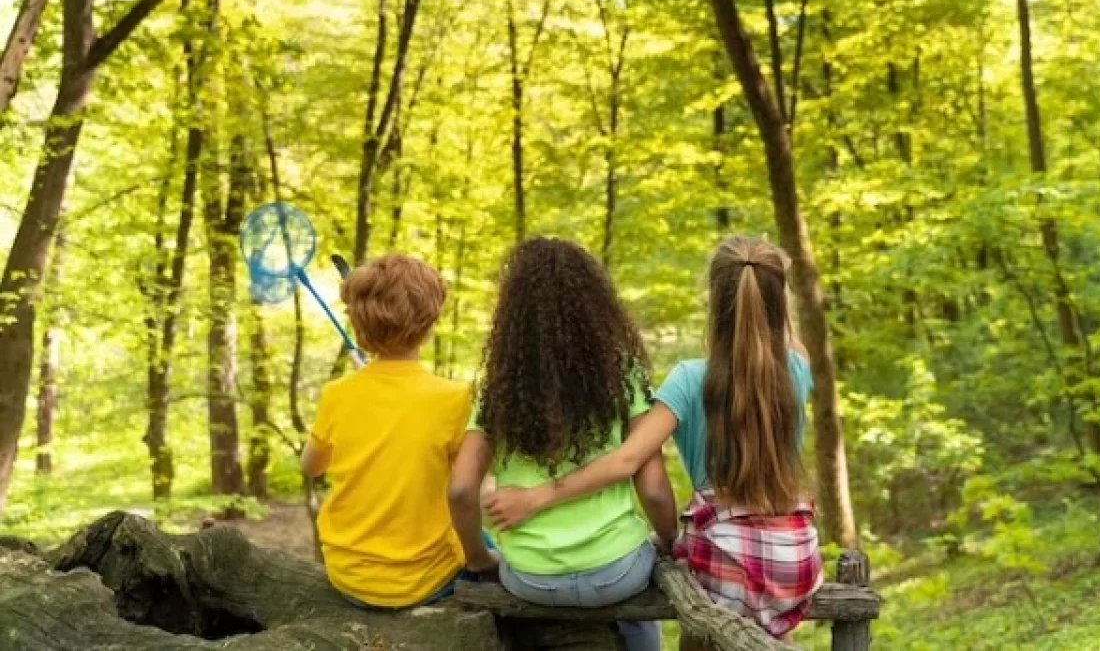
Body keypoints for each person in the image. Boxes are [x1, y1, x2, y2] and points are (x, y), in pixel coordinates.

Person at [484, 236, 823, 642]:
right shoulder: (798, 370)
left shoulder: (689, 379)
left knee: (705, 627)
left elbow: (627, 460)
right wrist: (771, 295)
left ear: (714, 302)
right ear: (777, 301)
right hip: (796, 554)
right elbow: (781, 335)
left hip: (725, 553)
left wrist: (537, 496)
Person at [449, 237, 677, 651]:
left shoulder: (497, 391)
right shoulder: (622, 375)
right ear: (594, 306)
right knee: (642, 611)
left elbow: (462, 489)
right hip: (617, 571)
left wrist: (479, 560)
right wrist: (670, 540)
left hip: (530, 577)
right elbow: (656, 489)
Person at [300, 254, 493, 608]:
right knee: (491, 547)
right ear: (429, 322)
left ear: (358, 324)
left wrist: (366, 387)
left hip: (348, 576)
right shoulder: (454, 398)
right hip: (424, 581)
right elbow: (466, 483)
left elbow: (310, 467)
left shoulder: (337, 394)